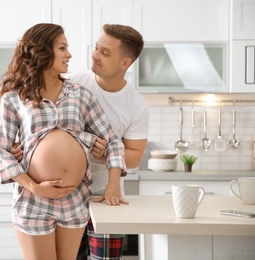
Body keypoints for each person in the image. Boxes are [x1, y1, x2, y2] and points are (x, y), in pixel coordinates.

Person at [0, 23, 126, 260]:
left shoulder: (80, 95)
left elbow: (113, 142)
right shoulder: (14, 98)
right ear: (42, 52)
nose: (69, 54)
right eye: (62, 48)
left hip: (75, 200)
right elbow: (2, 151)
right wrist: (34, 186)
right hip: (33, 200)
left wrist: (113, 182)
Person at [70, 24, 149, 260]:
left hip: (107, 197)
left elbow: (134, 157)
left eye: (105, 52)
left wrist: (107, 153)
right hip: (67, 197)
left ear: (125, 63)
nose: (94, 55)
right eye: (96, 48)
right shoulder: (73, 82)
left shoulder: (136, 106)